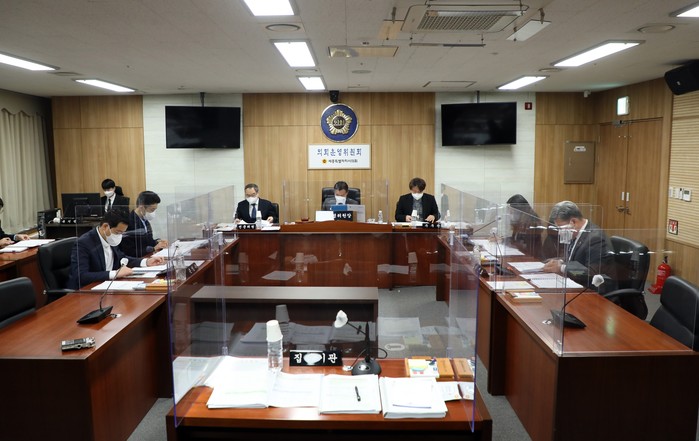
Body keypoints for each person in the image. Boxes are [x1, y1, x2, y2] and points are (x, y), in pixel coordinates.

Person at [67, 210, 164, 289]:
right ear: (105, 226)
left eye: (122, 233)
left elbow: (122, 258)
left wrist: (146, 262)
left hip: (108, 285)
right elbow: (81, 276)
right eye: (118, 232)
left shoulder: (110, 238)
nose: (119, 236)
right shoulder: (84, 243)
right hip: (87, 290)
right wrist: (114, 274)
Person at [542, 201, 616, 292]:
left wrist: (562, 267)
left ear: (573, 222)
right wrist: (560, 261)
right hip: (578, 285)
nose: (560, 233)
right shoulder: (576, 233)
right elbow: (576, 259)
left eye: (561, 228)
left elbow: (591, 273)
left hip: (596, 292)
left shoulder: (595, 238)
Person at [120, 191, 168, 258]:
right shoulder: (129, 222)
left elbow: (147, 242)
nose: (153, 213)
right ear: (141, 206)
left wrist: (158, 242)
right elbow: (129, 251)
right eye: (152, 210)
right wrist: (153, 249)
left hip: (147, 256)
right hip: (137, 259)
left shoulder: (145, 220)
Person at [505, 194, 544, 258]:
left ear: (519, 210)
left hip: (531, 257)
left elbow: (524, 244)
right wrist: (502, 240)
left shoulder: (532, 220)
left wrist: (508, 242)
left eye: (512, 211)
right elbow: (515, 239)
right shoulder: (520, 219)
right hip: (521, 254)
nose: (510, 213)